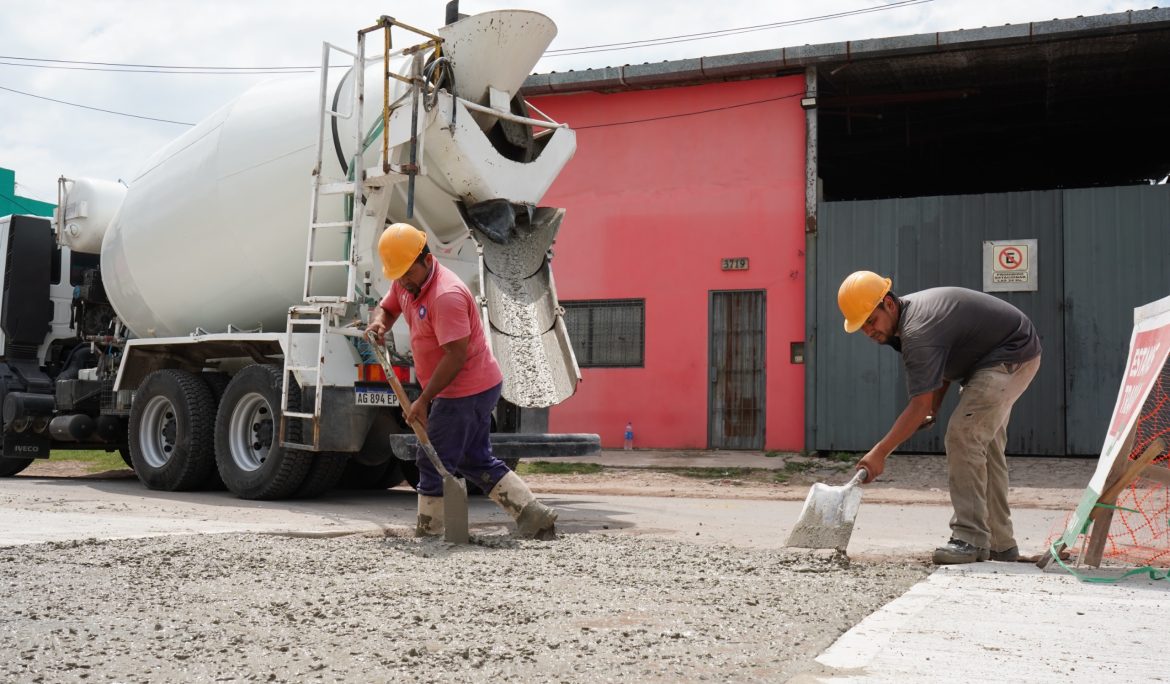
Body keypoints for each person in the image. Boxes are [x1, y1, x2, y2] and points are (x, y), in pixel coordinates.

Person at [367, 223, 558, 540]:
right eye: (397, 276)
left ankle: (430, 532)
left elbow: (455, 356)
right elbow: (387, 307)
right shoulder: (407, 282)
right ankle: (533, 515)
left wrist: (423, 400)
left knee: (431, 460)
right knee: (474, 459)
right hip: (463, 387)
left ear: (426, 260)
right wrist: (378, 322)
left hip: (467, 389)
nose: (402, 282)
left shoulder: (446, 295)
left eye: (407, 274)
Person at [838, 271, 1041, 564]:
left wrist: (879, 453)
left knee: (963, 435)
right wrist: (935, 405)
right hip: (1003, 355)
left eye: (871, 320)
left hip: (1009, 355)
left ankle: (969, 539)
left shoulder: (917, 330)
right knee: (986, 448)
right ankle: (1000, 543)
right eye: (862, 327)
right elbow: (943, 367)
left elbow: (918, 405)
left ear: (889, 304)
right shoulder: (906, 325)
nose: (869, 331)